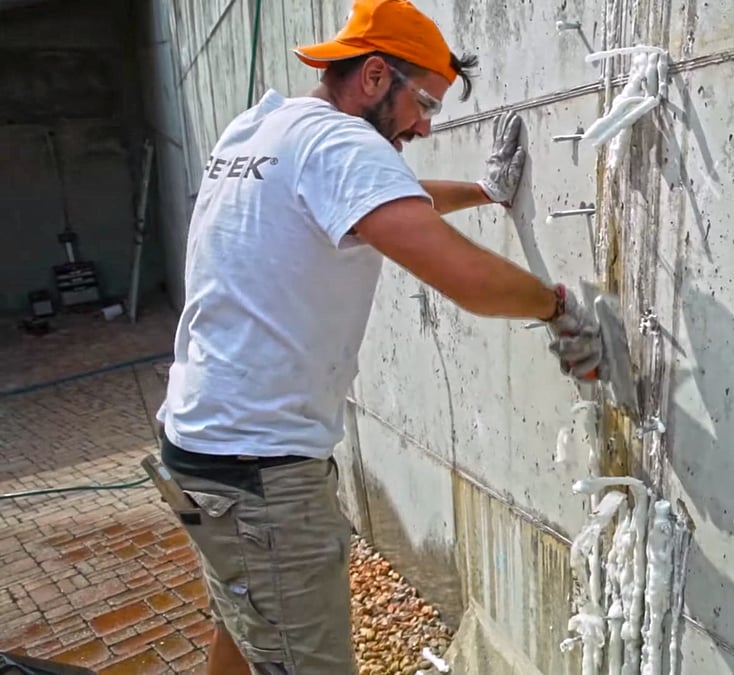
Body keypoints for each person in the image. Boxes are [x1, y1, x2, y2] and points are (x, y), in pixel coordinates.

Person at [154, 0, 604, 672]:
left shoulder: (263, 127)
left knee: (245, 620)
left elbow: (383, 195)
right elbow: (461, 275)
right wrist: (555, 307)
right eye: (422, 102)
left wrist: (485, 191)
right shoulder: (342, 147)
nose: (424, 124)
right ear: (372, 76)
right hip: (258, 476)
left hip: (199, 448)